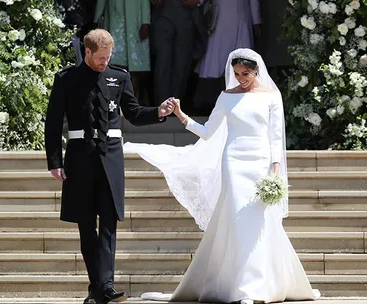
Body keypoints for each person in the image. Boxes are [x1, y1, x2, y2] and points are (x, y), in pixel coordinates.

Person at [124, 48, 321, 304]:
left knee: (260, 221)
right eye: (237, 73)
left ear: (256, 70)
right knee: (238, 219)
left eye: (246, 73)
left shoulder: (271, 96)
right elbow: (207, 132)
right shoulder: (226, 97)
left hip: (260, 162)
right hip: (234, 161)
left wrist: (275, 171)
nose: (241, 78)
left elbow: (275, 136)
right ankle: (243, 288)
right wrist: (181, 115)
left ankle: (261, 283)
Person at [44, 29, 175, 304]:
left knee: (109, 224)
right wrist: (54, 162)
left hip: (111, 157)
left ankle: (105, 286)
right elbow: (53, 122)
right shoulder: (67, 79)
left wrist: (158, 112)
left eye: (108, 57)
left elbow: (134, 113)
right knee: (85, 225)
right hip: (80, 158)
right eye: (100, 58)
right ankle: (97, 287)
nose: (105, 62)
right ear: (87, 52)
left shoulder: (120, 76)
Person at [193, 0, 262, 113]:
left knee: (242, 59)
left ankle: (241, 101)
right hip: (220, 17)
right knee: (215, 59)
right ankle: (208, 100)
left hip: (242, 17)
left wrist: (256, 20)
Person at [150, 0, 207, 105]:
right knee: (163, 61)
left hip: (187, 13)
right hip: (163, 13)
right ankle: (161, 104)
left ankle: (175, 105)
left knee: (182, 64)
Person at [94, 0, 151, 103]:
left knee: (136, 69)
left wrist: (145, 22)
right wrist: (97, 19)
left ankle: (134, 102)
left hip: (136, 22)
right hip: (114, 20)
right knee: (113, 66)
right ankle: (113, 103)